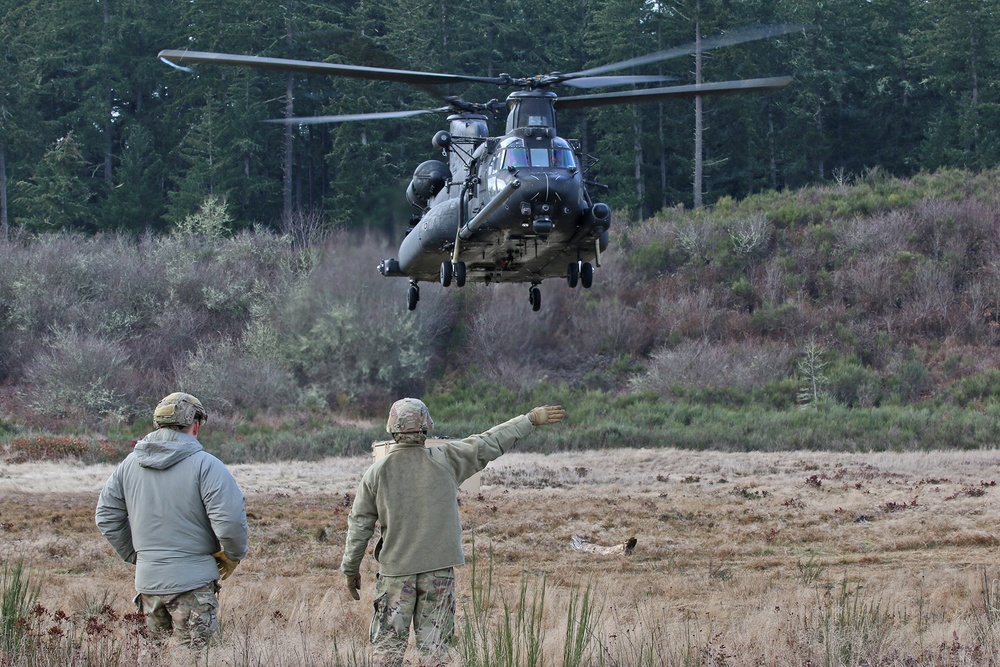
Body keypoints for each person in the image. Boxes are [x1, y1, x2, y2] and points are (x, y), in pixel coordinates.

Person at [341, 398, 565, 667]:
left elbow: (359, 526)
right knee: (435, 653)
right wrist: (528, 419)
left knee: (387, 654)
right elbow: (490, 441)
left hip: (395, 576)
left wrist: (350, 569)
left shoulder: (376, 473)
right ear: (426, 427)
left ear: (392, 427)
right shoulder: (447, 459)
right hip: (440, 573)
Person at [95, 392, 249, 649]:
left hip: (147, 585)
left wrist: (138, 556)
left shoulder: (128, 465)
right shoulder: (207, 466)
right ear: (196, 425)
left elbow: (106, 517)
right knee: (195, 659)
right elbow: (230, 522)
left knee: (154, 657)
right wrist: (233, 555)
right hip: (193, 585)